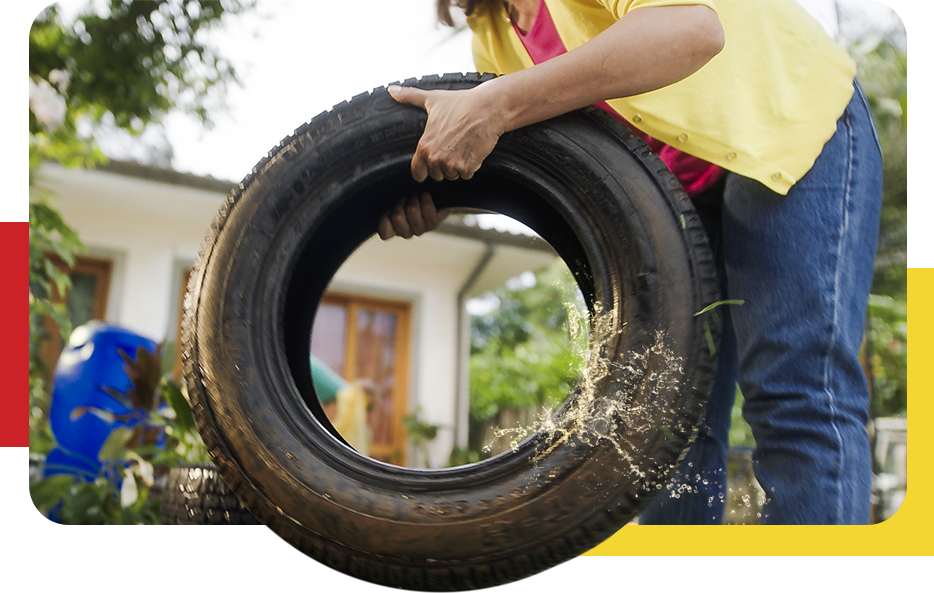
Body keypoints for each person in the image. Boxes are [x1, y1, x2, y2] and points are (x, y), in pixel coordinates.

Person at [378, 0, 882, 525]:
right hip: (678, 195)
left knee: (795, 396)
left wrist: (497, 103)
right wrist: (433, 191)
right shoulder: (494, 34)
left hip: (787, 124)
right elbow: (535, 157)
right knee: (668, 421)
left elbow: (692, 30)